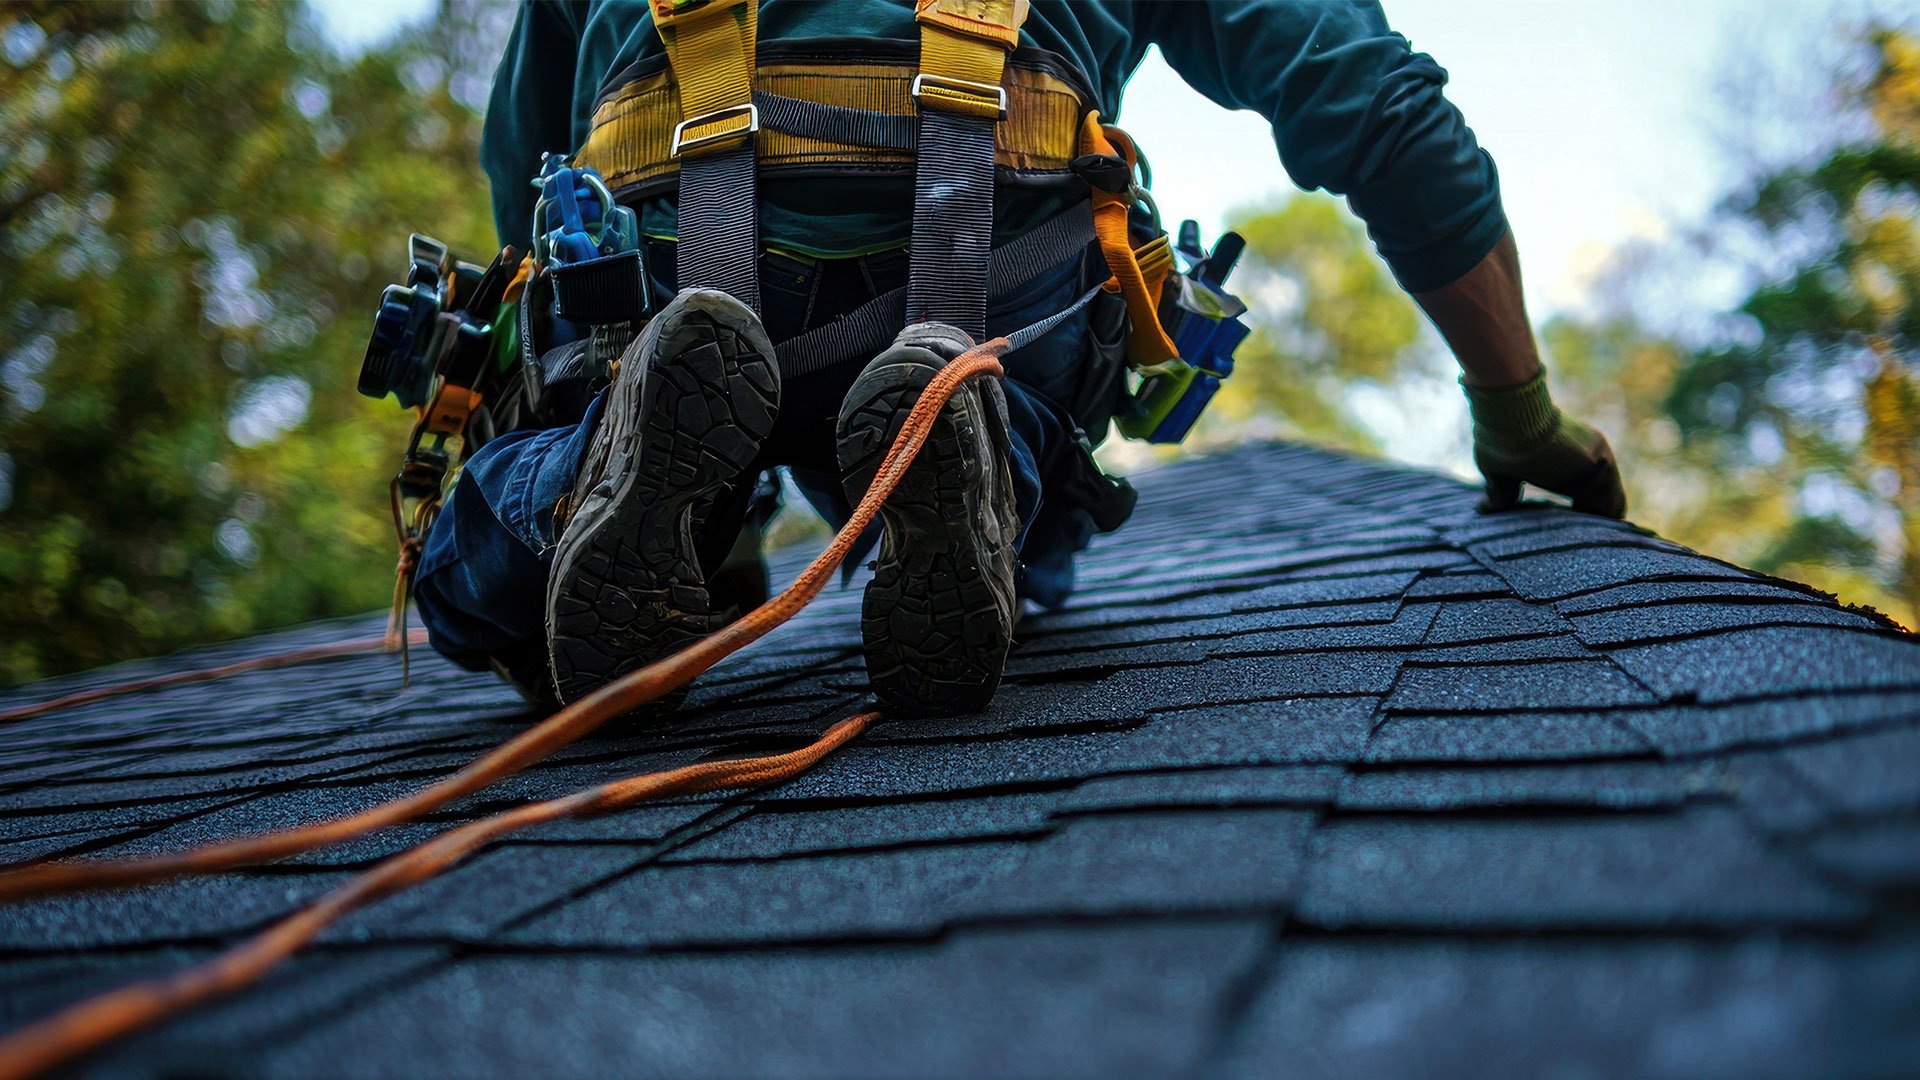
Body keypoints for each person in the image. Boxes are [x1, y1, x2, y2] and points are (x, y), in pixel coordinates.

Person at [411, 0, 1626, 718]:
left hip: (665, 256)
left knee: (538, 475)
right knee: (1012, 445)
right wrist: (1516, 409)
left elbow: (524, 179)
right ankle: (982, 449)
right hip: (994, 271)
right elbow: (1380, 108)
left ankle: (581, 485)